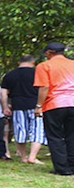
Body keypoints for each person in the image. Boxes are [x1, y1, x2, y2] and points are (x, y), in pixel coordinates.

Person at [34, 42, 74, 176]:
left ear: (49, 52)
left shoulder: (44, 66)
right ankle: (72, 165)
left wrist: (39, 106)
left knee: (55, 136)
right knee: (72, 135)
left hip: (55, 104)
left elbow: (44, 87)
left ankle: (62, 168)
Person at [0, 54, 46, 164]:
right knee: (37, 131)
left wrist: (5, 107)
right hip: (35, 105)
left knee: (20, 131)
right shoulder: (37, 73)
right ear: (33, 62)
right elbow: (44, 89)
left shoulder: (9, 75)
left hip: (17, 106)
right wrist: (41, 105)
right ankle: (32, 157)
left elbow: (3, 93)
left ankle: (23, 157)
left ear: (19, 62)